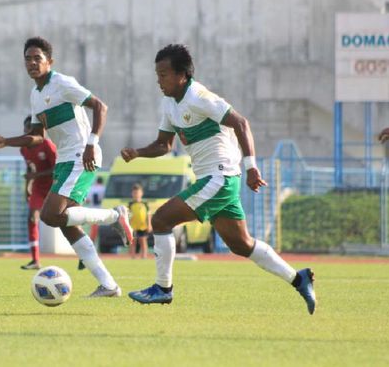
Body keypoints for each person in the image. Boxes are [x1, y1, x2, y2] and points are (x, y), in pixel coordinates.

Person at [121, 44, 317, 314]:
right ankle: (299, 278)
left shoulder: (200, 96)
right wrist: (138, 153)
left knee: (161, 220)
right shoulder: (168, 104)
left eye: (164, 74)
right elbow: (164, 145)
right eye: (157, 75)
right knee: (241, 244)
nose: (159, 81)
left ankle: (162, 289)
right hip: (215, 180)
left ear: (183, 75)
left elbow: (241, 123)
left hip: (220, 176)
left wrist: (251, 167)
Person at [0, 36, 133, 297]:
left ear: (49, 62)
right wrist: (6, 141)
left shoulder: (62, 83)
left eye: (37, 58)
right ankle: (109, 285)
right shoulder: (36, 94)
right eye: (28, 59)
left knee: (49, 215)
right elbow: (37, 136)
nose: (32, 63)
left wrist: (92, 142)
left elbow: (100, 106)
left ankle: (114, 216)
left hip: (81, 155)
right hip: (65, 160)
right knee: (68, 225)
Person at [19, 115, 57, 270]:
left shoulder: (47, 145)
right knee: (32, 218)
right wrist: (27, 186)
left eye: (32, 128)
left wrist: (35, 176)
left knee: (63, 221)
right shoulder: (23, 148)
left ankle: (83, 253)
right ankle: (35, 260)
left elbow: (57, 169)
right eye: (27, 128)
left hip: (54, 186)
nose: (29, 131)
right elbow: (30, 168)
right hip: (38, 188)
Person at [78, 175, 107, 270]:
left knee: (92, 234)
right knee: (98, 233)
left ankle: (91, 251)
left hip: (92, 212)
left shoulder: (92, 188)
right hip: (102, 212)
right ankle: (93, 252)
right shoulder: (104, 188)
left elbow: (87, 200)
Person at [128, 183, 152, 259]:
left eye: (138, 193)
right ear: (132, 194)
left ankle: (144, 256)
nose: (136, 194)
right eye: (135, 193)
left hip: (143, 226)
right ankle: (133, 257)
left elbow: (148, 215)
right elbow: (127, 216)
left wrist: (149, 225)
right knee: (133, 242)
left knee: (143, 241)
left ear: (141, 193)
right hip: (133, 226)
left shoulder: (145, 204)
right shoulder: (130, 204)